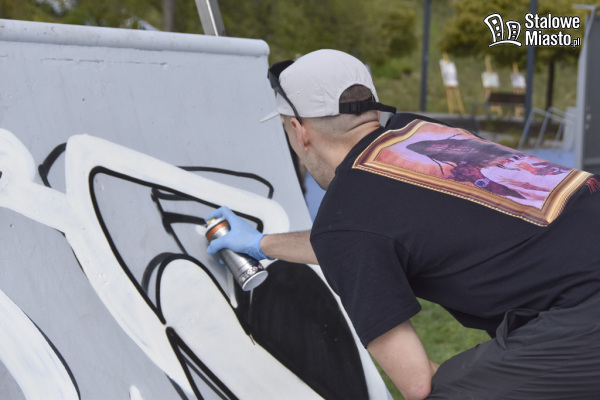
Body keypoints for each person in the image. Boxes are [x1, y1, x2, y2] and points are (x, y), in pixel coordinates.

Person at [205, 49, 600, 400]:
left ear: (299, 130)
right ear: (372, 112)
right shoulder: (419, 132)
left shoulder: (349, 219)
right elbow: (363, 237)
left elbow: (416, 383)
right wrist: (262, 243)